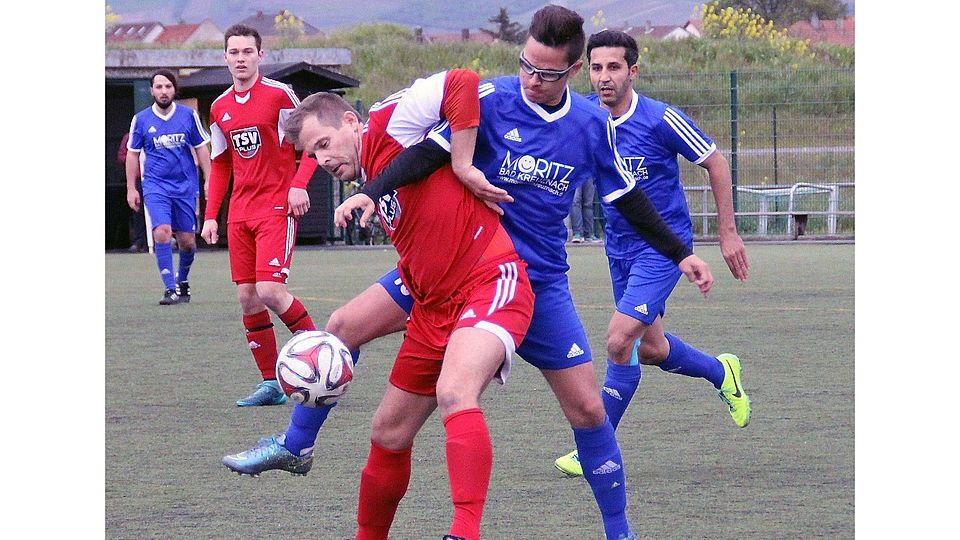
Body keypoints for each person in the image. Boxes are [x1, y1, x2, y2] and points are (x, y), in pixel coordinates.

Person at [224, 6, 714, 539]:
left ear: (571, 73)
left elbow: (630, 199)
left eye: (547, 73)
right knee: (346, 332)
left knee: (588, 410)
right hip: (440, 274)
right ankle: (297, 443)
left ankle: (618, 532)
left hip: (525, 277)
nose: (531, 79)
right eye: (526, 64)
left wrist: (677, 251)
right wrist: (389, 184)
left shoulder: (591, 126)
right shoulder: (492, 100)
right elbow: (429, 150)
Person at [553, 30, 753, 476]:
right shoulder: (584, 117)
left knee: (618, 339)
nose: (604, 77)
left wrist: (727, 232)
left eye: (614, 67)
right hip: (618, 247)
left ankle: (592, 447)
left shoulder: (661, 119)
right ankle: (723, 374)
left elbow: (715, 161)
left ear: (633, 71)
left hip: (664, 248)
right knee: (652, 349)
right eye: (596, 67)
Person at [201, 24, 320, 406]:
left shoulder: (279, 96)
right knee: (248, 298)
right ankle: (271, 383)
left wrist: (298, 184)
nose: (240, 59)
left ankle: (324, 364)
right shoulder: (219, 107)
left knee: (270, 290)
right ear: (225, 57)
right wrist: (210, 215)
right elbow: (220, 165)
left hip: (275, 207)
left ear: (260, 56)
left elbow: (312, 145)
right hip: (240, 213)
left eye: (247, 52)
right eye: (233, 52)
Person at [125, 69, 211, 304]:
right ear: (151, 90)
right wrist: (131, 188)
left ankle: (182, 282)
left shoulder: (188, 116)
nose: (163, 91)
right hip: (155, 185)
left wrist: (209, 180)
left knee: (188, 242)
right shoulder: (141, 120)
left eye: (168, 87)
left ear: (175, 89)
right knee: (162, 232)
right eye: (159, 87)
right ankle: (169, 288)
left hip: (185, 186)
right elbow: (132, 155)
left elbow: (202, 148)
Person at [118, 132, 147, 253]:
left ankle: (164, 238)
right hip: (138, 180)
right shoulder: (129, 137)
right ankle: (140, 240)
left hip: (156, 179)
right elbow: (122, 156)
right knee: (138, 211)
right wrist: (137, 159)